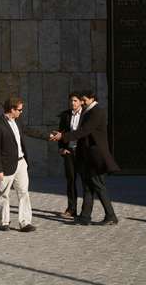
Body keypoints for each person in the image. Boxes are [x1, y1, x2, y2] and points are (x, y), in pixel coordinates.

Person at [50, 91, 120, 225]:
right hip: (88, 156)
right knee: (88, 186)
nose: (82, 102)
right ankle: (85, 217)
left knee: (98, 185)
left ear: (92, 99)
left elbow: (84, 131)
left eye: (83, 100)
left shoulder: (96, 112)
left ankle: (111, 215)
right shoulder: (90, 111)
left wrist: (62, 137)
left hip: (96, 156)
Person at [0, 97, 36, 232]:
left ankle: (25, 222)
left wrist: (48, 135)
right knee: (3, 194)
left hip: (21, 163)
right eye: (20, 110)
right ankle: (4, 222)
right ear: (12, 109)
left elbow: (28, 131)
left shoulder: (18, 121)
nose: (21, 112)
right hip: (5, 165)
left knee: (24, 193)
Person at [57, 93, 83, 218]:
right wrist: (61, 148)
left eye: (75, 101)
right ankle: (71, 208)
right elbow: (61, 132)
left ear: (81, 102)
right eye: (71, 101)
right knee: (71, 180)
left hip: (83, 152)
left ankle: (86, 211)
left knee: (86, 181)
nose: (73, 103)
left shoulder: (86, 115)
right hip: (69, 152)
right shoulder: (66, 115)